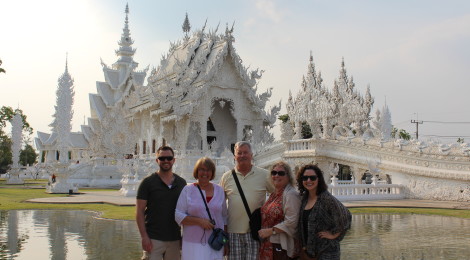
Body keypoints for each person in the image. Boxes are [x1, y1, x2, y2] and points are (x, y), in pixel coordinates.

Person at [219, 141, 274, 260]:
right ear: (234, 156)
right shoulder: (226, 177)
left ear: (251, 155)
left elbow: (277, 196)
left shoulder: (264, 175)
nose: (242, 155)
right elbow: (220, 206)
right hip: (233, 232)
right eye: (239, 153)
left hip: (255, 231)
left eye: (245, 152)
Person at [136, 146, 187, 260]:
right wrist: (144, 236)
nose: (166, 161)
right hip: (154, 238)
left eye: (169, 158)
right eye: (162, 158)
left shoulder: (181, 183)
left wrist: (184, 237)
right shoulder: (148, 182)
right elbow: (139, 211)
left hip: (174, 238)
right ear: (157, 160)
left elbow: (186, 212)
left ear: (174, 160)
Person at [175, 157, 228, 260]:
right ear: (196, 171)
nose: (205, 173)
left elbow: (224, 217)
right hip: (192, 243)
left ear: (212, 173)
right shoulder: (188, 190)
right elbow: (178, 214)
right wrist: (199, 221)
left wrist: (225, 243)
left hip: (215, 242)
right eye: (202, 169)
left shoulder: (219, 190)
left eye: (208, 170)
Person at [296, 164, 351, 260]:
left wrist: (334, 234)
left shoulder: (325, 198)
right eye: (305, 178)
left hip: (327, 251)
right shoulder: (304, 198)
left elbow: (346, 216)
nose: (308, 181)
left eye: (312, 178)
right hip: (310, 252)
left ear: (318, 179)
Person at [258, 161, 301, 260]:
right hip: (267, 244)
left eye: (281, 173)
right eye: (274, 173)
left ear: (288, 176)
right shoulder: (274, 193)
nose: (276, 175)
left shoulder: (291, 194)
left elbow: (292, 222)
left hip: (280, 245)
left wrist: (270, 231)